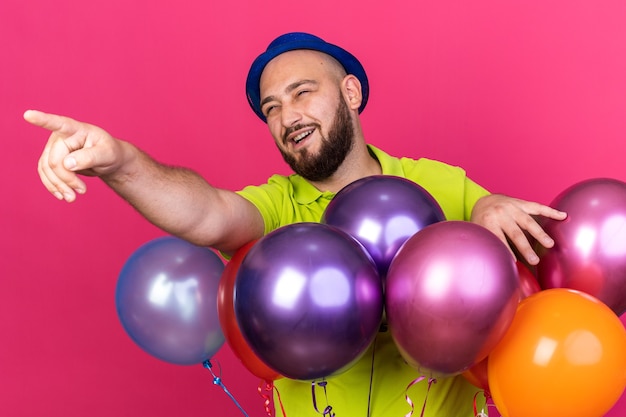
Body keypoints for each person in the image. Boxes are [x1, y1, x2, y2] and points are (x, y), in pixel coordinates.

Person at [25, 32, 566, 417]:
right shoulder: (278, 207)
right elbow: (207, 214)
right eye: (272, 108)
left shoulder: (439, 184)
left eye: (303, 92)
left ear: (350, 94)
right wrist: (121, 162)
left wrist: (491, 204)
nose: (288, 117)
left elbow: (516, 247)